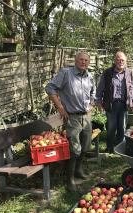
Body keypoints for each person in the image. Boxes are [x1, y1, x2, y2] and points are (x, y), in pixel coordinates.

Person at [45, 52, 95, 191]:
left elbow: (93, 93)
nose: (83, 62)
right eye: (81, 59)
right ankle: (70, 180)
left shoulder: (89, 76)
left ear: (88, 62)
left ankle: (78, 170)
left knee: (85, 146)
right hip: (71, 117)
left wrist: (91, 104)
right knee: (75, 149)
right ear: (75, 60)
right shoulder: (66, 73)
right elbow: (50, 88)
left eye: (86, 60)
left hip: (86, 116)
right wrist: (60, 107)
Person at [96, 51, 133, 153]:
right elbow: (100, 88)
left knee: (122, 127)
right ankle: (109, 147)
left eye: (122, 60)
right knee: (111, 127)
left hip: (124, 104)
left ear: (125, 61)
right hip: (111, 104)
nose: (120, 62)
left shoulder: (129, 72)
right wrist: (99, 101)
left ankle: (120, 149)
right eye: (118, 60)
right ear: (115, 61)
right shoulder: (108, 73)